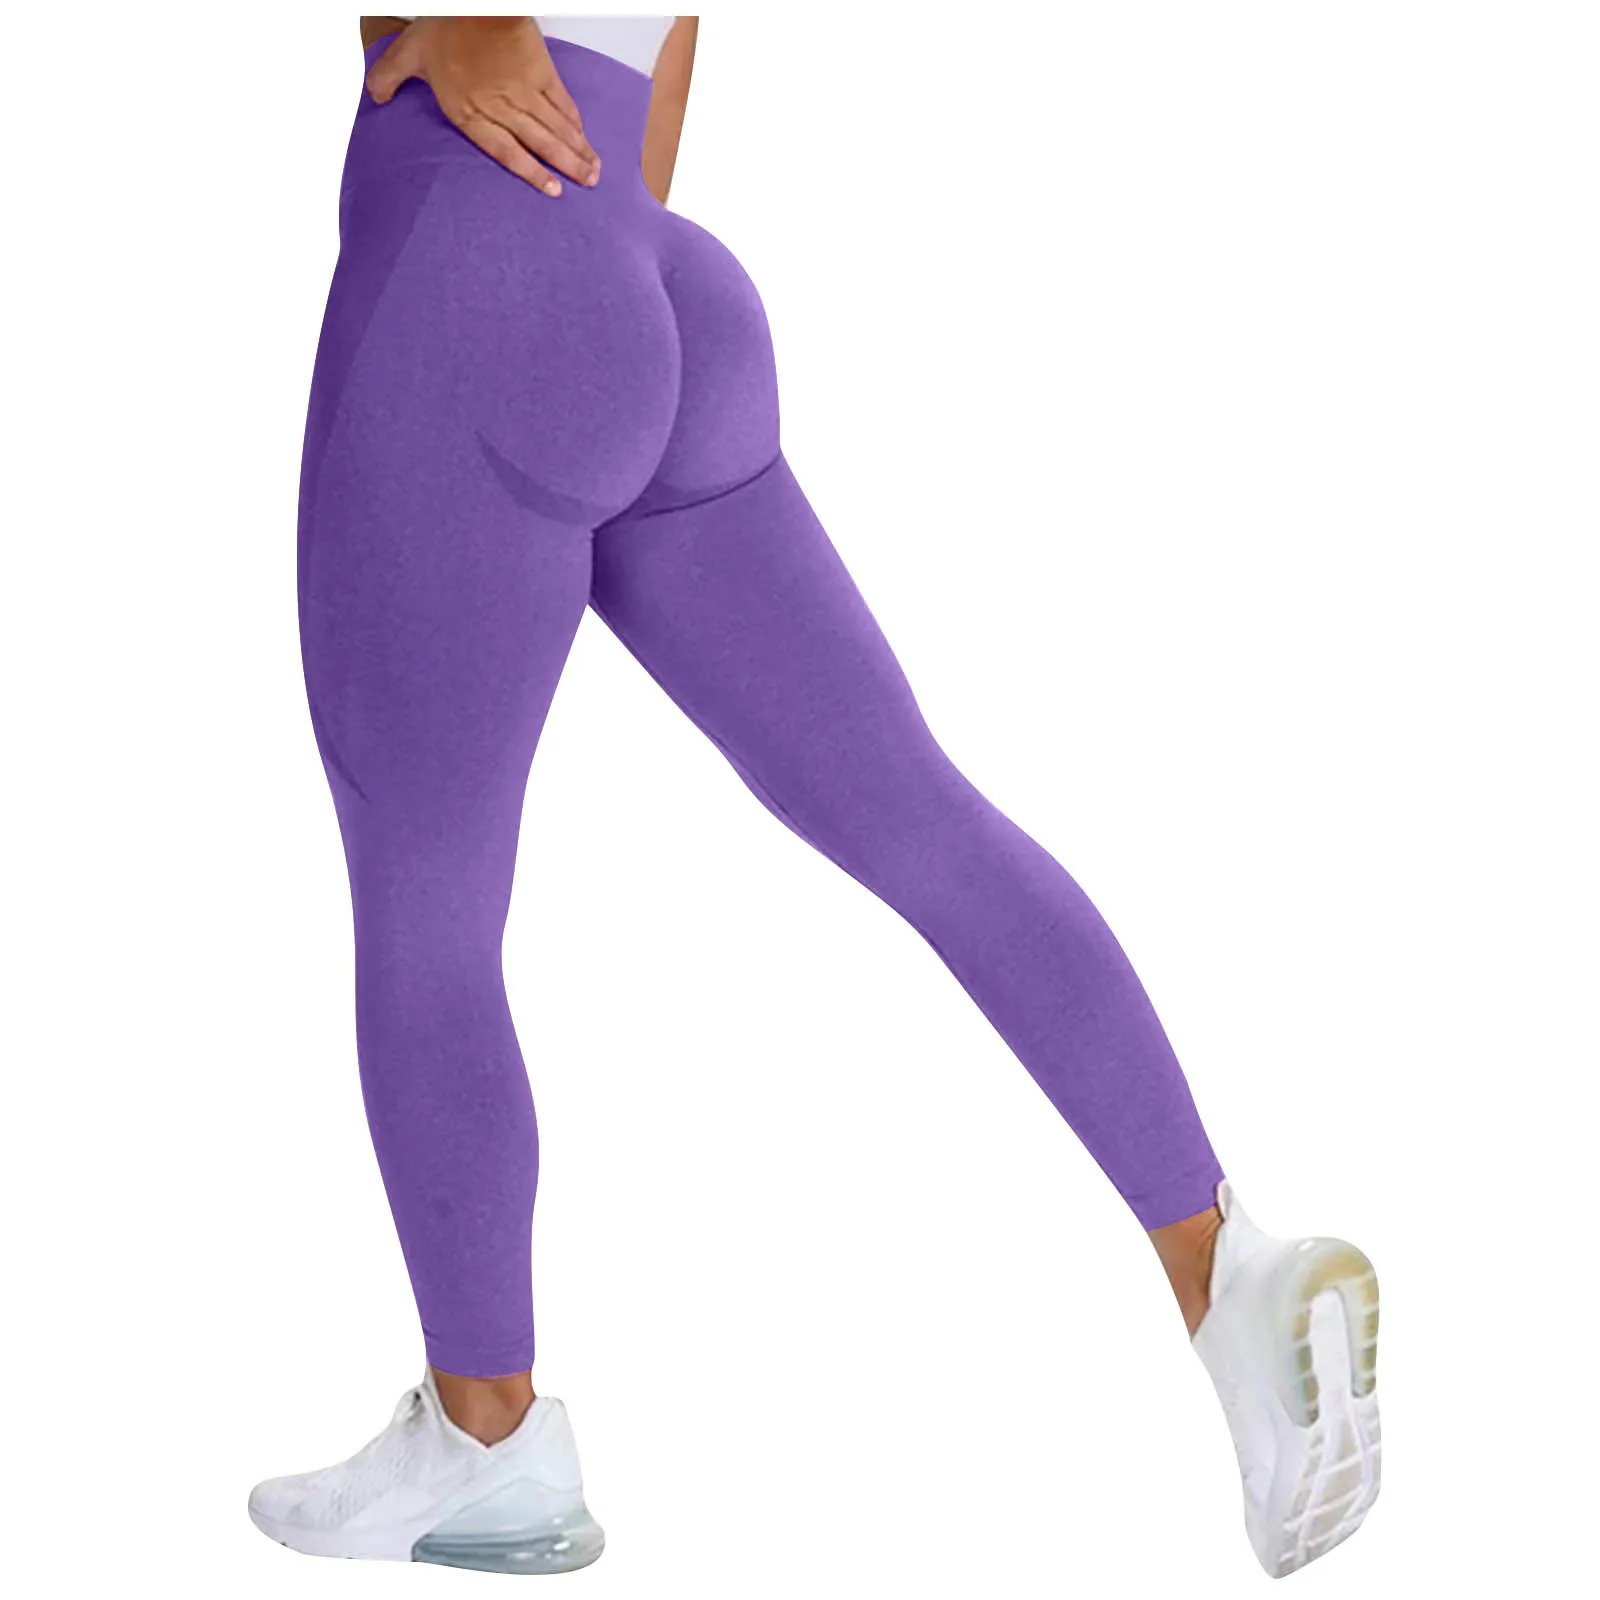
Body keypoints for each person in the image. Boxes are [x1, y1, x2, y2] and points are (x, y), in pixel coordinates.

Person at [247, 15, 1381, 1579]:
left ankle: (488, 1443)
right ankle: (1228, 1271)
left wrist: (458, 23)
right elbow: (653, 101)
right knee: (920, 814)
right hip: (658, 281)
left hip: (474, 283)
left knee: (426, 900)